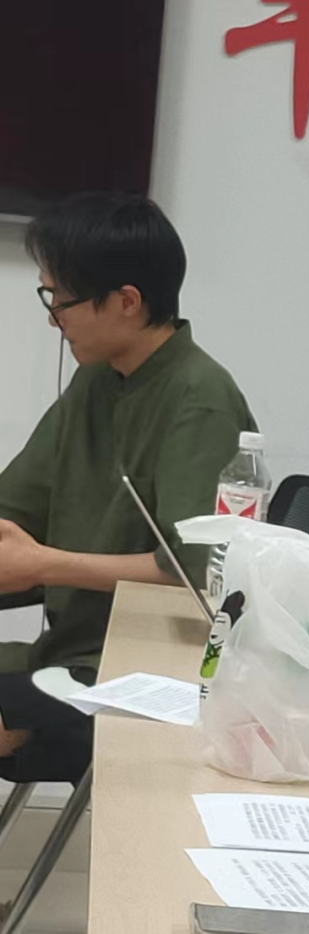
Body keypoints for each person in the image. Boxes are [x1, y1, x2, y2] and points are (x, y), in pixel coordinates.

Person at [0, 192, 256, 784]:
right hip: (66, 652)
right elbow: (17, 508)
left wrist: (44, 565)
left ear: (126, 302)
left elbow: (195, 573)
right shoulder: (97, 381)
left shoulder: (201, 400)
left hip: (140, 673)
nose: (53, 318)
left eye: (60, 300)